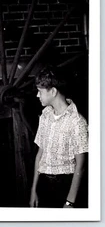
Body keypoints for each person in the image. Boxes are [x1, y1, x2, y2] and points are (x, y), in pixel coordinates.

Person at [29, 66, 88, 208]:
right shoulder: (45, 116)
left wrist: (70, 202)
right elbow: (40, 155)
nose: (38, 95)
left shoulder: (77, 121)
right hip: (43, 184)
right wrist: (33, 190)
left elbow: (81, 164)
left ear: (53, 91)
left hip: (64, 186)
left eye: (40, 91)